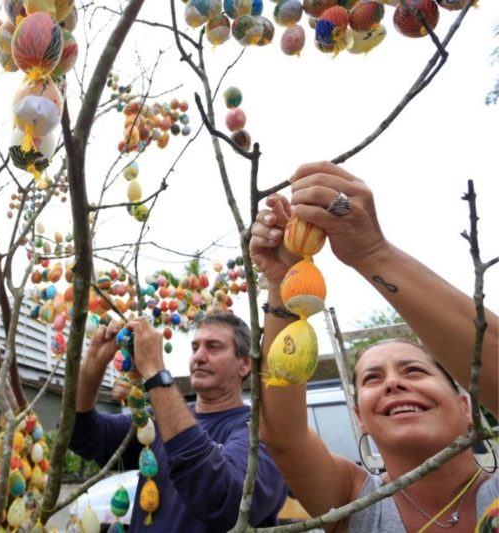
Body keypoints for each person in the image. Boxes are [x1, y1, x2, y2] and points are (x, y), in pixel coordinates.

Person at [249, 161, 498, 531]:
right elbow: (283, 436)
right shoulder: (353, 503)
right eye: (371, 379)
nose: (393, 383)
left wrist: (372, 251)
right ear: (360, 419)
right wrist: (282, 282)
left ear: (466, 407)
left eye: (414, 369)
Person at [69, 312, 288, 531]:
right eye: (195, 347)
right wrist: (94, 363)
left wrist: (155, 371)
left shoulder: (261, 431)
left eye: (213, 347)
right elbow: (81, 434)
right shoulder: (155, 419)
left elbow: (224, 503)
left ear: (245, 363)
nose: (199, 357)